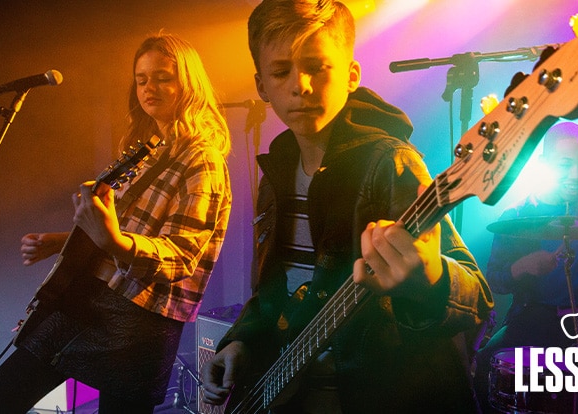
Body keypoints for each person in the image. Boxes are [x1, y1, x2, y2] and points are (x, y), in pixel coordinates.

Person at [199, 1, 493, 412]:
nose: (299, 85)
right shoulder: (276, 174)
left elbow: (477, 297)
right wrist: (241, 342)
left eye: (317, 67)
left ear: (352, 75)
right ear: (261, 86)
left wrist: (427, 279)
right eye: (281, 71)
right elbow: (272, 292)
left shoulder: (390, 162)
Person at [0, 33, 232, 413]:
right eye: (141, 80)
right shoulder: (152, 149)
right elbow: (128, 229)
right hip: (92, 300)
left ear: (188, 84)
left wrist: (111, 239)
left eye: (162, 78)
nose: (149, 88)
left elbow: (182, 257)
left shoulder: (201, 159)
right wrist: (62, 241)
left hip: (137, 323)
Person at [474, 121, 578, 413]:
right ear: (544, 164)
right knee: (484, 369)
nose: (577, 175)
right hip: (535, 317)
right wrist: (523, 266)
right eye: (566, 165)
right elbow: (494, 280)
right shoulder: (517, 215)